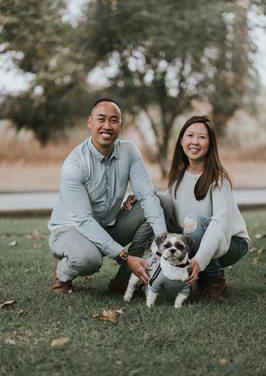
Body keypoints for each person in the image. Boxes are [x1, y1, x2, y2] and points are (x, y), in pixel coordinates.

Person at [48, 98, 167, 294]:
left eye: (113, 120)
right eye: (101, 119)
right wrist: (125, 258)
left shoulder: (129, 151)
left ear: (120, 125)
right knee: (89, 259)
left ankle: (125, 279)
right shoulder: (75, 164)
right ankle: (62, 274)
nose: (107, 126)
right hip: (72, 229)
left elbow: (147, 195)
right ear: (90, 122)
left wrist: (163, 242)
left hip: (108, 225)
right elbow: (84, 221)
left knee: (161, 202)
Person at [124, 115, 250, 300]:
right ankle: (139, 278)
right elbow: (171, 209)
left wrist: (198, 260)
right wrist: (146, 198)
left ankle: (214, 281)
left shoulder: (219, 180)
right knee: (183, 225)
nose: (195, 142)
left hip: (232, 243)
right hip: (197, 238)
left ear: (210, 144)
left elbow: (220, 225)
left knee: (194, 222)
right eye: (190, 136)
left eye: (202, 137)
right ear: (182, 140)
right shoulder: (178, 177)